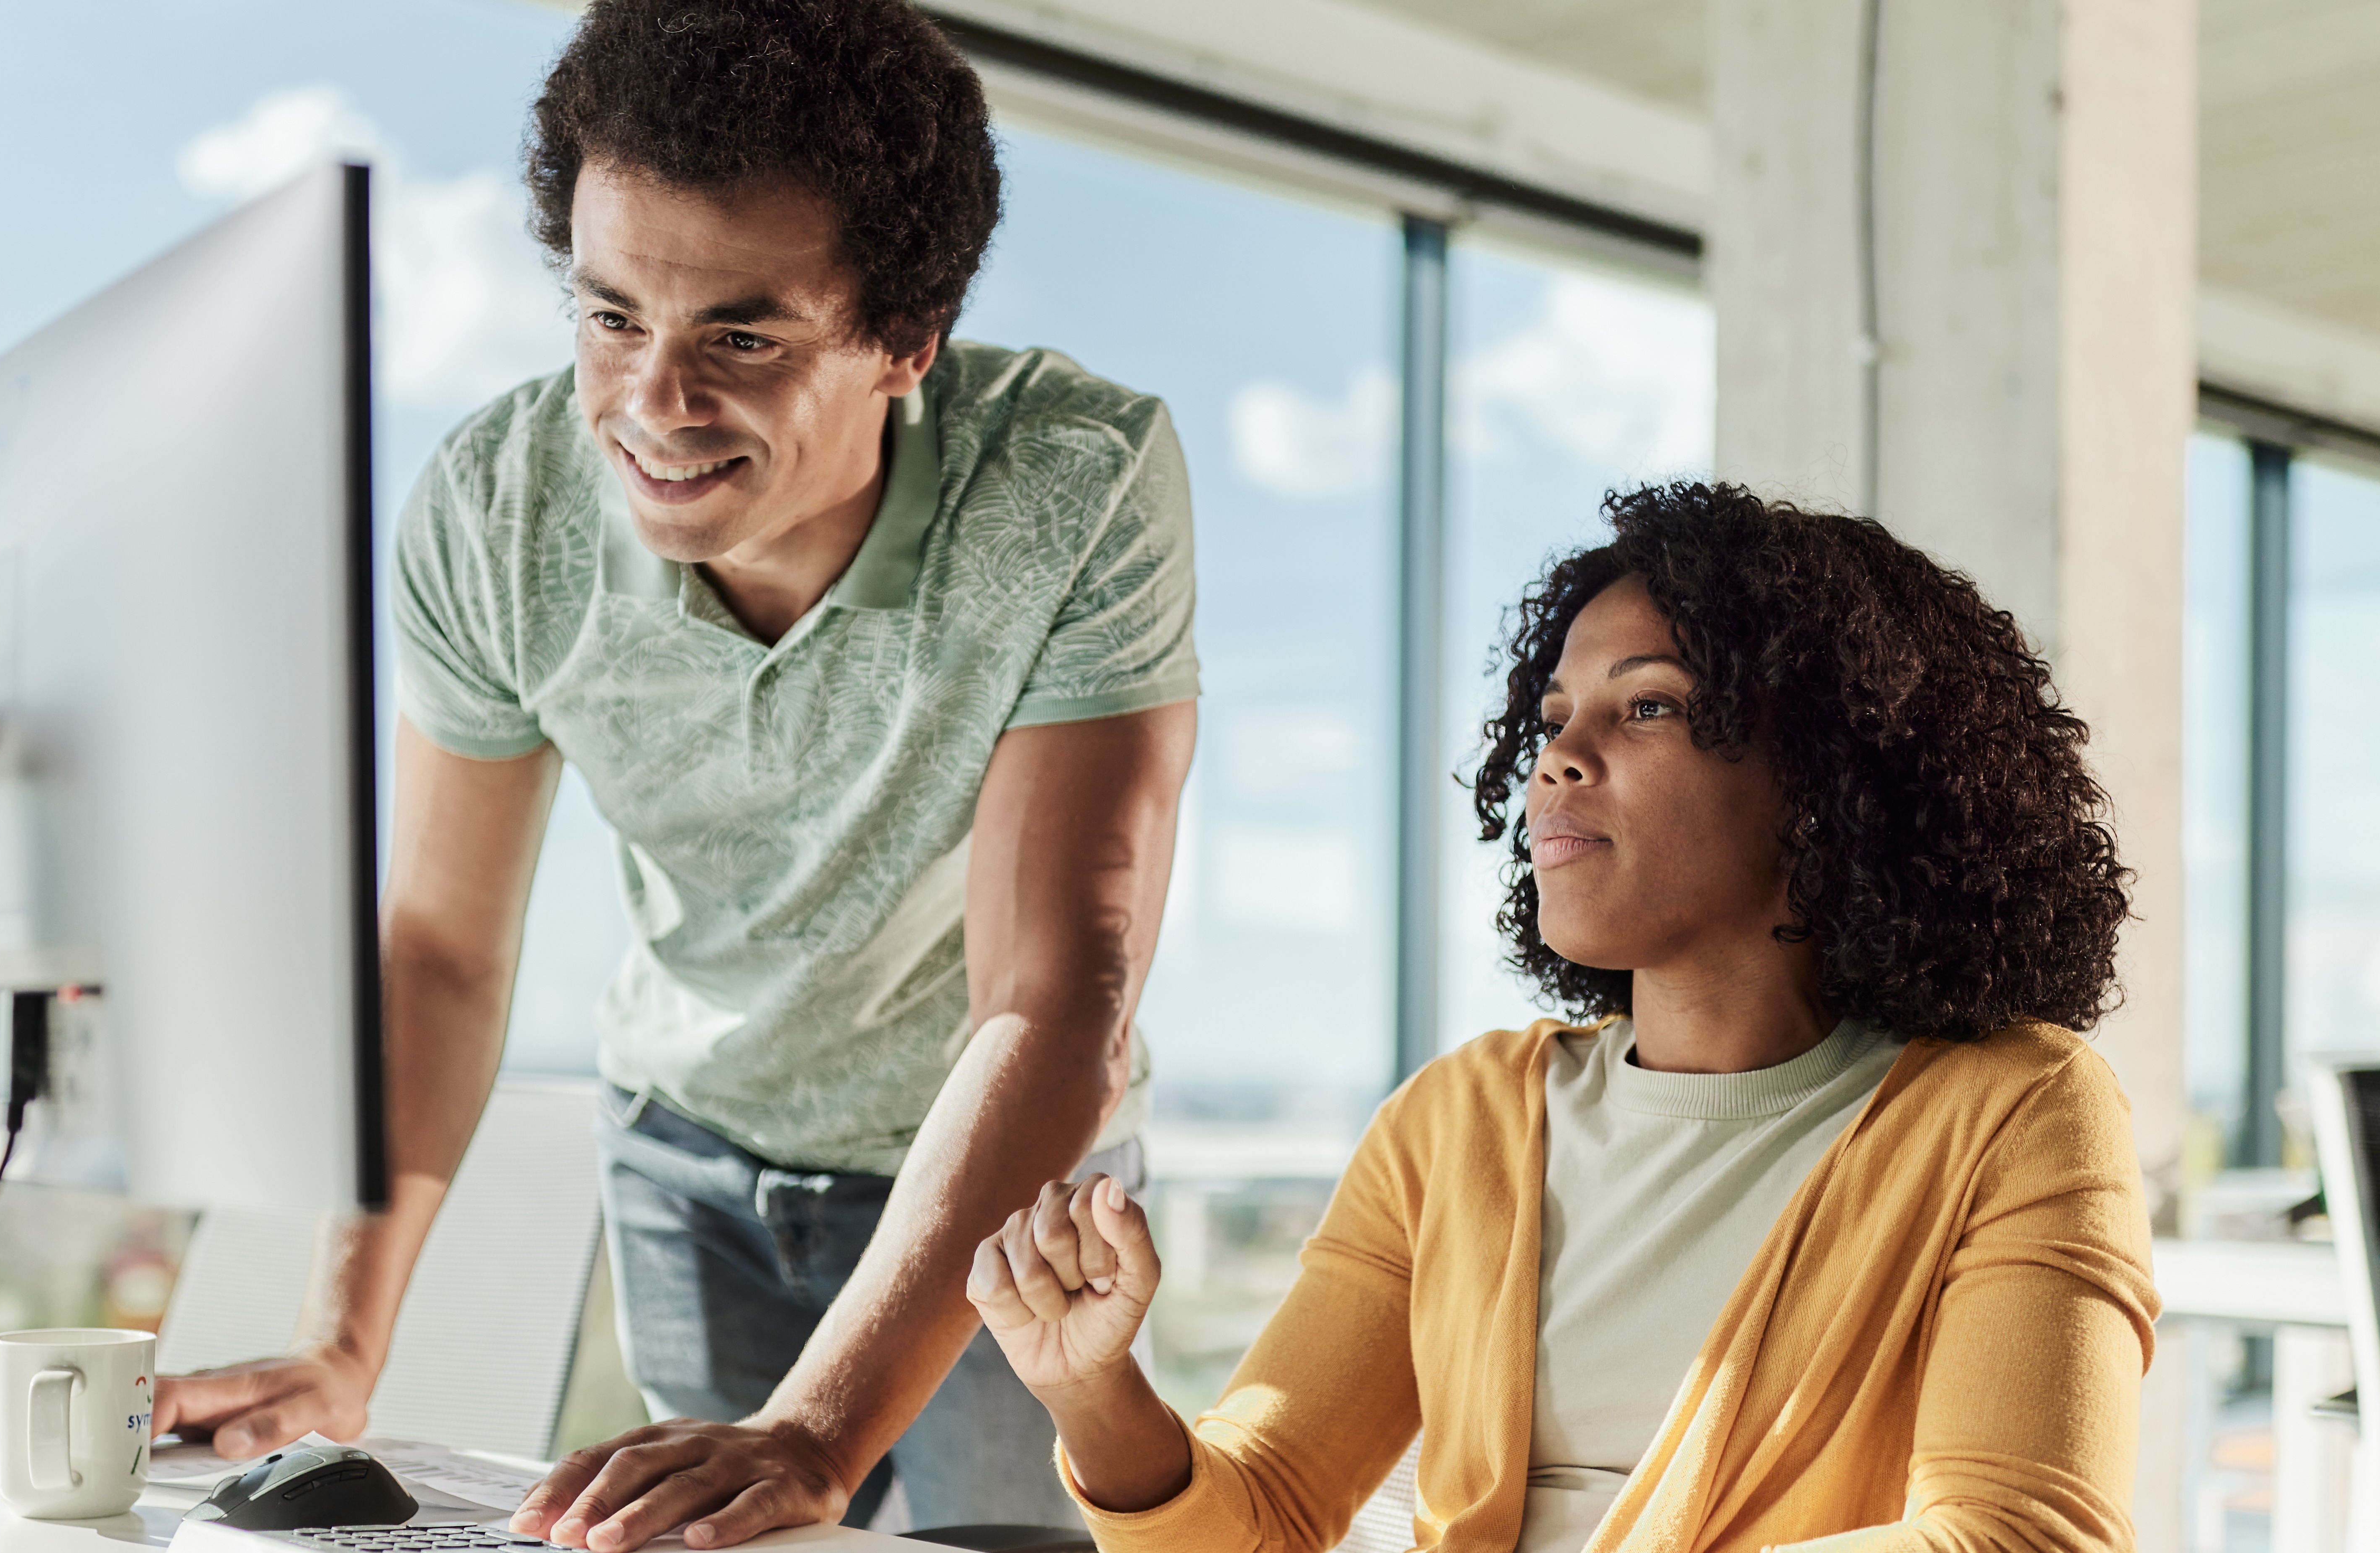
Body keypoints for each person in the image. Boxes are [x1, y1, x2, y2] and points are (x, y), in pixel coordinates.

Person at [153, 2, 1200, 1546]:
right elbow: (438, 950)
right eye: (610, 316)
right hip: (689, 1152)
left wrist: (818, 1428)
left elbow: (1057, 988)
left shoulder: (1073, 481)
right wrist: (344, 1337)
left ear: (905, 339)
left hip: (998, 1180)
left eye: (744, 338)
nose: (652, 402)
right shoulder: (499, 511)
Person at [969, 484, 2158, 1553]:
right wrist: (1096, 1394)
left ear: (1828, 778)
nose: (1558, 761)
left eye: (1646, 708)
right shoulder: (1456, 1120)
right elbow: (1266, 1516)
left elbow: (2021, 1535)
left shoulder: (2016, 1107)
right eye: (1551, 720)